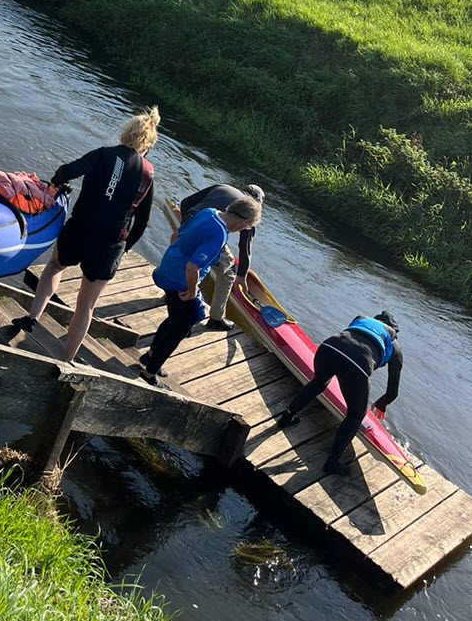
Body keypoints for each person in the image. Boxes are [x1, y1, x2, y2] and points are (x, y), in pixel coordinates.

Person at [12, 107, 159, 364]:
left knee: (55, 266)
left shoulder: (104, 154)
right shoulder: (147, 174)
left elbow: (66, 171)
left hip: (80, 229)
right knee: (86, 305)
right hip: (110, 244)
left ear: (125, 134)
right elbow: (142, 220)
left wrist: (57, 181)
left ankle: (32, 317)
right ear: (147, 144)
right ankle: (66, 360)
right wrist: (124, 248)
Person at [140, 197, 263, 385]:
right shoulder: (219, 234)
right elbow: (192, 267)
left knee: (179, 318)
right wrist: (191, 292)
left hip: (168, 267)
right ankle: (149, 373)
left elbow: (176, 236)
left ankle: (150, 356)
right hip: (179, 280)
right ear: (243, 222)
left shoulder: (208, 212)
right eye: (246, 227)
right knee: (179, 329)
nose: (242, 230)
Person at [277, 311, 403, 477]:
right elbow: (392, 392)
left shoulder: (362, 319)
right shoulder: (394, 346)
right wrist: (382, 404)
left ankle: (286, 417)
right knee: (356, 415)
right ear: (394, 331)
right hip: (356, 364)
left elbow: (348, 346)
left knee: (318, 383)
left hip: (328, 347)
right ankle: (332, 462)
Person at [177, 182, 265, 331]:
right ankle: (216, 318)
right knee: (228, 272)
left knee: (188, 259)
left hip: (191, 223)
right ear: (257, 202)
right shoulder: (249, 211)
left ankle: (173, 292)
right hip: (209, 233)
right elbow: (245, 247)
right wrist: (241, 276)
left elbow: (185, 203)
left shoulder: (223, 187)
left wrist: (185, 227)